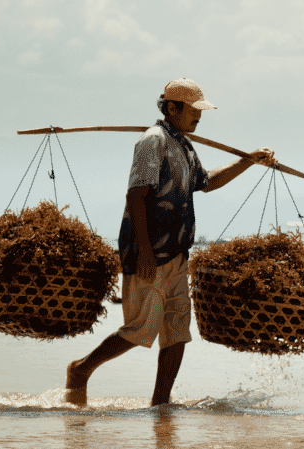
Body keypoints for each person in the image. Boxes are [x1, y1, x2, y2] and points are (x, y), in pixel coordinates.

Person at [65, 77, 277, 406]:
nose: (199, 117)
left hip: (178, 252)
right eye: (193, 110)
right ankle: (81, 369)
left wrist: (248, 160)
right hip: (148, 252)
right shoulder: (154, 141)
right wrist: (147, 253)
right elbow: (136, 196)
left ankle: (160, 403)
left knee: (177, 331)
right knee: (140, 329)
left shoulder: (183, 144)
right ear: (173, 108)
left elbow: (205, 182)